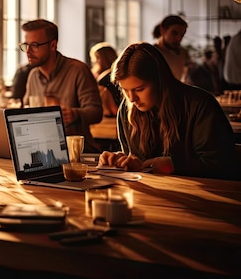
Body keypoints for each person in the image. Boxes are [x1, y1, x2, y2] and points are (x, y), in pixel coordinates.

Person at [99, 43, 238, 180]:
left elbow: (223, 165)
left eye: (139, 89)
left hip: (204, 197)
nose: (132, 98)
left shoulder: (200, 105)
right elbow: (138, 167)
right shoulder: (127, 109)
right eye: (125, 90)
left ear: (160, 80)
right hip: (153, 195)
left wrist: (175, 166)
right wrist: (122, 161)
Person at [20, 20, 103, 152]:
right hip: (42, 151)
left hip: (78, 153)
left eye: (35, 45)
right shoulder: (33, 75)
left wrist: (73, 114)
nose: (28, 51)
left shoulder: (78, 70)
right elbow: (25, 112)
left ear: (53, 45)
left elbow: (96, 112)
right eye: (25, 45)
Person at [152, 15, 193, 82]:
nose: (179, 39)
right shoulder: (152, 53)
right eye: (174, 33)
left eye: (182, 35)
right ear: (162, 30)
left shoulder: (183, 52)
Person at [89, 42, 120, 117]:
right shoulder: (100, 76)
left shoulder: (105, 79)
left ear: (106, 58)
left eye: (97, 57)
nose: (95, 61)